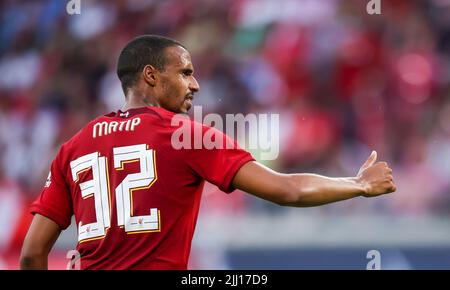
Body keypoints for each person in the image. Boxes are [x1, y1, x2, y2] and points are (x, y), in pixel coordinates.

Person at [20, 35, 396, 270]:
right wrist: (358, 184)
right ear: (151, 75)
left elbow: (31, 255)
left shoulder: (74, 146)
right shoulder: (183, 135)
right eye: (184, 72)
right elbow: (288, 190)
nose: (195, 84)